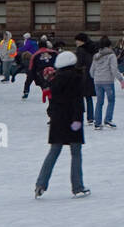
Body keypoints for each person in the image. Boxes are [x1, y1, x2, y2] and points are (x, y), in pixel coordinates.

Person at [35, 51, 89, 198]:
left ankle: (40, 184)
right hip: (72, 119)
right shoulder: (77, 78)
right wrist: (78, 119)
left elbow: (53, 101)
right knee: (76, 153)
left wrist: (52, 115)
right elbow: (77, 100)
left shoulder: (55, 79)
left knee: (54, 151)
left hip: (58, 119)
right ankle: (77, 186)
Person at [91, 38, 119, 129]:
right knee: (111, 100)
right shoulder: (111, 55)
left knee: (99, 101)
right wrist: (121, 79)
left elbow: (91, 70)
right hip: (108, 81)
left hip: (97, 81)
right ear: (109, 46)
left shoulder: (96, 56)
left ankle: (97, 123)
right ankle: (108, 119)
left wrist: (95, 77)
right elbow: (114, 69)